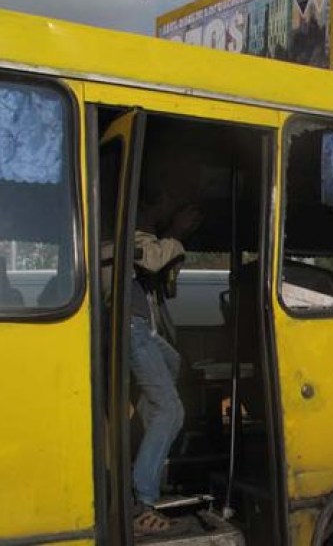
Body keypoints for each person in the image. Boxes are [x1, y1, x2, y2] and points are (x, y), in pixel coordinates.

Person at [130, 191, 201, 537]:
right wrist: (177, 234)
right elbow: (153, 260)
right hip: (131, 328)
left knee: (173, 367)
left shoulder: (147, 240)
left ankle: (149, 457)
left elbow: (164, 286)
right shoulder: (126, 235)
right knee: (172, 411)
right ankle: (142, 501)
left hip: (144, 329)